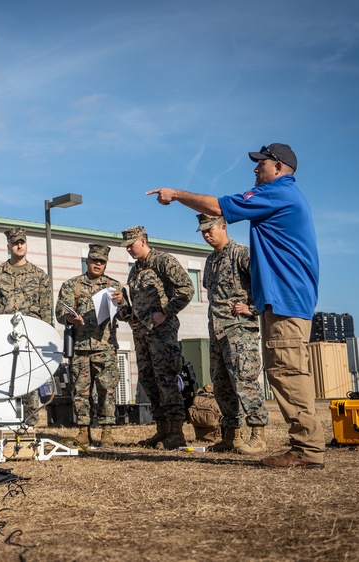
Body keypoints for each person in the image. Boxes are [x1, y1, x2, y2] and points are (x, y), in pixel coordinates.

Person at [148, 142, 324, 469]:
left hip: (286, 299)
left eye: (262, 164)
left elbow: (218, 206)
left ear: (280, 167)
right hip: (284, 300)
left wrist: (176, 193)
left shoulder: (279, 193)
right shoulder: (282, 196)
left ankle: (307, 450)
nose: (256, 170)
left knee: (287, 372)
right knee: (283, 371)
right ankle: (302, 446)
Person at [116, 226, 194, 450]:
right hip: (141, 335)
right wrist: (129, 314)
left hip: (162, 333)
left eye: (132, 244)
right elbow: (138, 304)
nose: (129, 249)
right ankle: (162, 430)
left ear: (143, 240)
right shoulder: (135, 271)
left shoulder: (163, 261)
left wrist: (166, 312)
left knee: (167, 380)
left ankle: (176, 433)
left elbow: (186, 289)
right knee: (149, 381)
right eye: (127, 246)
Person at [197, 214, 268, 454]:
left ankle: (258, 435)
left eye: (210, 229)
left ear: (223, 227)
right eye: (203, 232)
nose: (207, 235)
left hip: (239, 331)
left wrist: (253, 309)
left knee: (245, 381)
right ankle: (232, 435)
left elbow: (267, 281)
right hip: (217, 332)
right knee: (221, 385)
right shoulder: (211, 261)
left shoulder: (242, 254)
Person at [0, 227, 53, 421]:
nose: (19, 245)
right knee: (5, 379)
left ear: (26, 244)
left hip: (30, 336)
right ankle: (6, 420)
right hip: (4, 337)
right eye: (15, 243)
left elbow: (47, 312)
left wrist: (46, 338)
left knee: (29, 380)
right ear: (8, 246)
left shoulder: (40, 277)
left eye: (22, 242)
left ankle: (29, 424)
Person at [55, 243, 124, 447]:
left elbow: (127, 315)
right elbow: (60, 313)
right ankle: (83, 431)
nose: (98, 264)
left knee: (107, 390)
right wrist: (70, 318)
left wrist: (122, 302)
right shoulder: (72, 285)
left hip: (106, 348)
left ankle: (107, 432)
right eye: (94, 260)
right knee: (81, 391)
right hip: (80, 348)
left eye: (102, 261)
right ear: (87, 261)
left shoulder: (114, 287)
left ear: (106, 264)